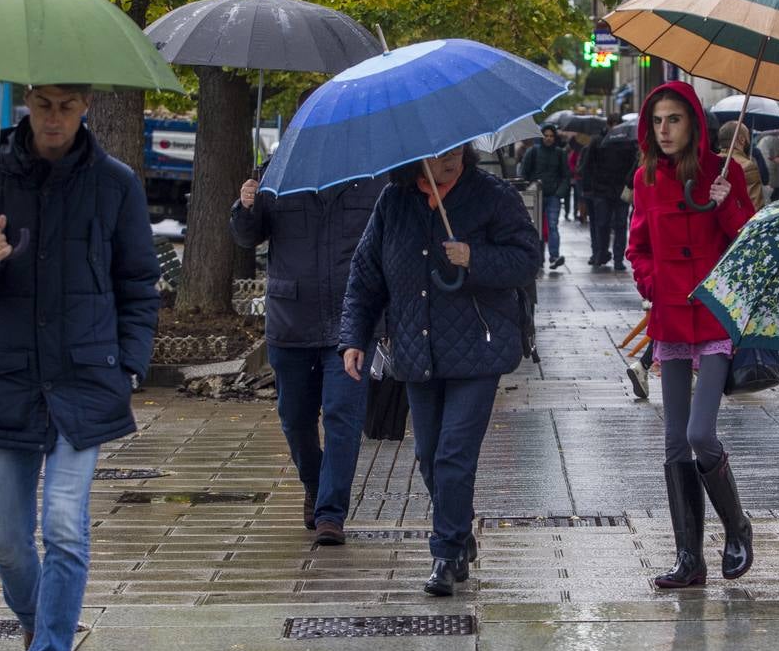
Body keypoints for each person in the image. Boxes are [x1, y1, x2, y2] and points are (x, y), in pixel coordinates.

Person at [0, 84, 160, 651]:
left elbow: (138, 283)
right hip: (7, 380)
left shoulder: (114, 185)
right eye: (44, 103)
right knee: (6, 542)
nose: (55, 117)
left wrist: (129, 365)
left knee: (64, 524)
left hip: (83, 382)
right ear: (27, 105)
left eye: (67, 104)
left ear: (85, 105)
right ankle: (46, 629)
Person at [340, 144, 539, 596]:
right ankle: (459, 530)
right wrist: (354, 337)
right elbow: (366, 273)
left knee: (453, 454)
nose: (447, 160)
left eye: (454, 151)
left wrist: (475, 258)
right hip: (417, 350)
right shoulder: (394, 201)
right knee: (428, 456)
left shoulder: (492, 195)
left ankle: (446, 554)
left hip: (479, 348)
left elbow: (527, 258)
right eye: (435, 153)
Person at [626, 81, 756, 589]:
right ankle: (689, 559)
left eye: (673, 119)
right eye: (657, 121)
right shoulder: (646, 179)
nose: (664, 130)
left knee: (701, 432)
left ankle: (738, 526)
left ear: (693, 123)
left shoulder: (723, 174)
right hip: (671, 318)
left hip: (715, 317)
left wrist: (726, 202)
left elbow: (745, 242)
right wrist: (652, 282)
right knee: (675, 440)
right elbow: (637, 246)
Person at [231, 141, 385, 546]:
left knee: (342, 417)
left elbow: (388, 246)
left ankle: (331, 512)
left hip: (351, 323)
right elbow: (247, 237)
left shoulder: (373, 178)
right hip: (291, 320)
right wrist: (246, 205)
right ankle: (316, 485)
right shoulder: (276, 173)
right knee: (295, 419)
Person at [581, 114, 634, 271]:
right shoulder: (598, 141)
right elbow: (588, 165)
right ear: (609, 125)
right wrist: (588, 188)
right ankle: (601, 253)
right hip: (601, 190)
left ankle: (618, 258)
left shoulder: (628, 143)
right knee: (602, 224)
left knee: (620, 224)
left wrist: (628, 182)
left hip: (619, 190)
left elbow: (633, 164)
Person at [520, 125, 570, 268]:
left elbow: (565, 175)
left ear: (555, 138)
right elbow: (524, 174)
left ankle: (554, 256)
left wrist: (559, 192)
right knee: (536, 228)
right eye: (546, 135)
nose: (548, 138)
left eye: (551, 136)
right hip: (535, 195)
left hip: (553, 196)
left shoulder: (560, 153)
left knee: (552, 226)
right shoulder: (533, 152)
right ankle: (538, 258)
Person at [717, 120, 764, 210]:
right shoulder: (748, 166)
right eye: (748, 136)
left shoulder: (712, 161)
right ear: (742, 139)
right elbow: (755, 204)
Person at [756, 130, 779, 202]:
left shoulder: (765, 141)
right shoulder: (776, 141)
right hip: (776, 178)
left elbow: (765, 161)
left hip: (771, 179)